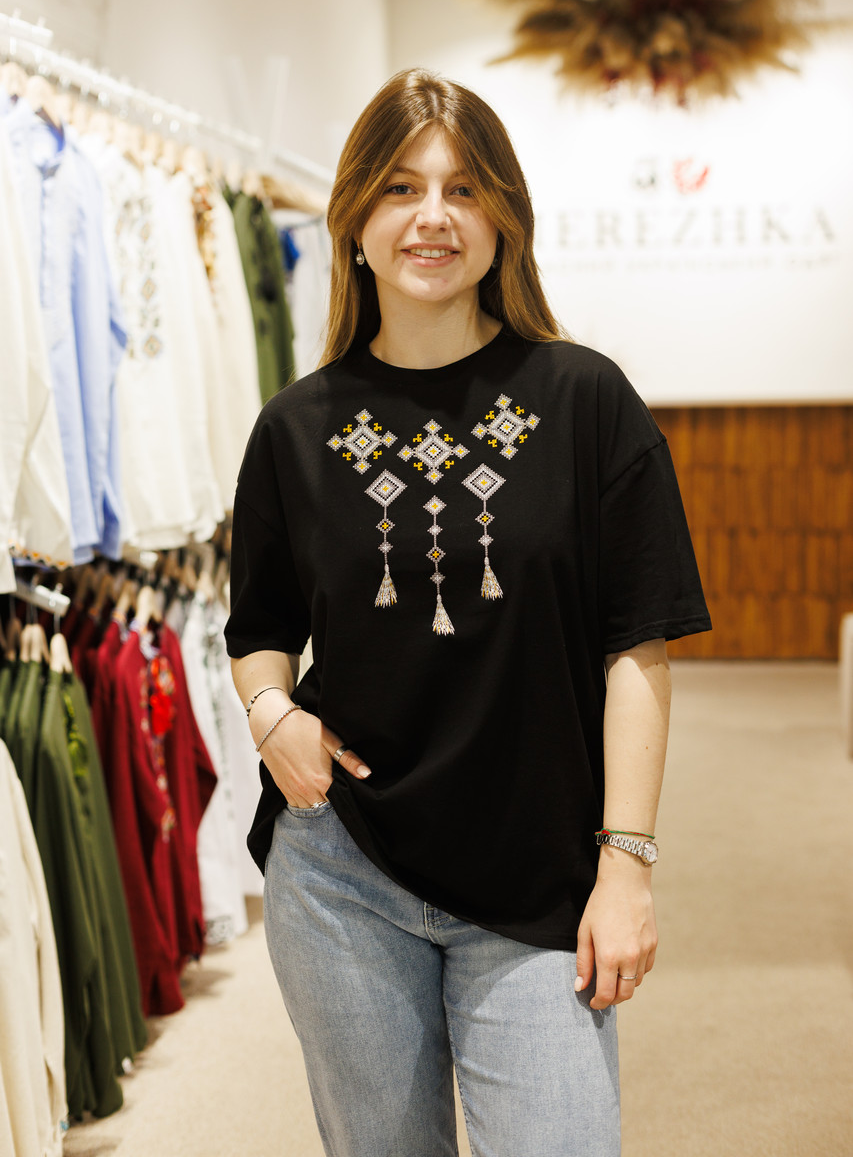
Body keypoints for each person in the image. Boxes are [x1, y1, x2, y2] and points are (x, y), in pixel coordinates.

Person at [225, 68, 711, 1157]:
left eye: (462, 189)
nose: (432, 216)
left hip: (538, 870)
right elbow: (257, 626)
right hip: (341, 873)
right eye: (400, 188)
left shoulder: (585, 400)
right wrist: (271, 715)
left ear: (503, 219)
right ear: (355, 222)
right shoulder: (294, 428)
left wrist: (625, 865)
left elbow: (636, 647)